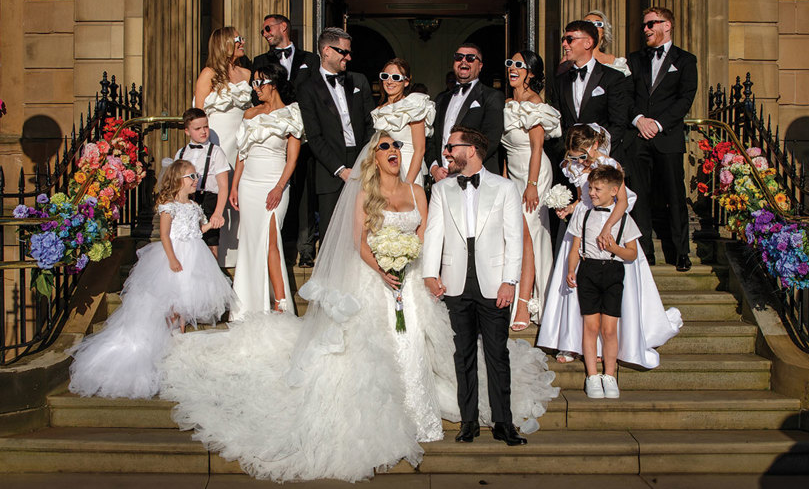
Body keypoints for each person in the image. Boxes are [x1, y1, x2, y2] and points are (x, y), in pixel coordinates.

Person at [159, 131, 558, 482]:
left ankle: (426, 417)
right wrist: (383, 269)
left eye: (397, 145)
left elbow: (427, 236)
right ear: (373, 156)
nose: (394, 151)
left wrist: (415, 267)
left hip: (412, 283)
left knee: (416, 347)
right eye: (385, 146)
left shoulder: (420, 191)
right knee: (379, 350)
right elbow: (359, 242)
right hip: (375, 282)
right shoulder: (367, 194)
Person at [67, 160, 234, 399]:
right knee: (172, 299)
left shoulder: (195, 207)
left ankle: (182, 337)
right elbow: (165, 235)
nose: (195, 180)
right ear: (178, 180)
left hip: (195, 255)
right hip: (175, 255)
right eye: (191, 176)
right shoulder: (169, 206)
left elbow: (195, 231)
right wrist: (172, 259)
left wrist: (211, 225)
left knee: (187, 297)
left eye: (196, 176)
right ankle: (168, 338)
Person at [537, 124, 682, 369]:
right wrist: (569, 208)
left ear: (594, 146)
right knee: (574, 282)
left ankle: (606, 345)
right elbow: (584, 199)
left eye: (583, 156)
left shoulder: (610, 166)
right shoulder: (574, 166)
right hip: (582, 226)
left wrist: (607, 227)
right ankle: (571, 341)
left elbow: (622, 201)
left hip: (610, 223)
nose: (579, 162)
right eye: (574, 157)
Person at [423, 126, 530, 446]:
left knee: (498, 354)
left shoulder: (505, 188)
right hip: (454, 283)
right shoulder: (441, 190)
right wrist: (430, 273)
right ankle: (468, 421)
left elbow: (515, 240)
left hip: (495, 283)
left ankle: (503, 422)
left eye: (451, 147)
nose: (446, 152)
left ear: (470, 150)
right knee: (462, 355)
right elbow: (433, 234)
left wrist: (510, 281)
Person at [626, 7, 698, 271]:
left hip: (667, 137)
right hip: (638, 137)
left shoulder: (686, 60)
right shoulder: (634, 60)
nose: (645, 29)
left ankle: (681, 252)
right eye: (644, 25)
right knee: (640, 195)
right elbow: (626, 96)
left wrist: (657, 123)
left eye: (651, 24)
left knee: (674, 193)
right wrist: (639, 120)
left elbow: (685, 99)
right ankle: (644, 252)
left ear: (667, 25)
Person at [229, 64, 302, 317]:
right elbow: (242, 152)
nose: (256, 88)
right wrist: (234, 185)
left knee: (272, 241)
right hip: (249, 184)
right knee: (250, 243)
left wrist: (280, 187)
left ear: (274, 83)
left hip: (275, 182)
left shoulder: (292, 113)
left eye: (260, 83)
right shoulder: (249, 114)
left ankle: (280, 304)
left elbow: (292, 159)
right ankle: (248, 306)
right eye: (254, 84)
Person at [249, 14, 320, 268]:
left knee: (304, 192)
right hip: (274, 137)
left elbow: (317, 93)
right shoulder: (259, 61)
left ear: (283, 27)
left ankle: (306, 248)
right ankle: (278, 247)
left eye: (268, 28)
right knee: (274, 189)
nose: (265, 33)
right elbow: (254, 98)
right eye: (263, 31)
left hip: (305, 136)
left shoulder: (310, 59)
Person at [566, 165, 640, 398]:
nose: (592, 193)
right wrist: (571, 269)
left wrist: (613, 247)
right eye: (590, 188)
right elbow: (575, 247)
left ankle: (610, 374)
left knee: (609, 329)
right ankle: (592, 375)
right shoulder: (583, 213)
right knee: (591, 326)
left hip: (612, 271)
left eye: (597, 189)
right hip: (588, 271)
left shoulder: (623, 219)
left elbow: (632, 254)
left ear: (614, 191)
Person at [297, 27, 375, 239]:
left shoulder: (358, 81)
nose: (348, 57)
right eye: (343, 51)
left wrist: (364, 161)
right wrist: (340, 170)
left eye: (349, 52)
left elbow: (371, 123)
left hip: (362, 163)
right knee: (332, 235)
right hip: (329, 169)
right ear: (326, 51)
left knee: (363, 230)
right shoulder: (307, 88)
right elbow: (314, 136)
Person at [501, 50, 560, 330]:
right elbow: (506, 151)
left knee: (530, 236)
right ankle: (519, 298)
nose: (513, 68)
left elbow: (537, 147)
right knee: (516, 236)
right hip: (513, 175)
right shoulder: (509, 103)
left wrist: (532, 185)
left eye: (519, 65)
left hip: (533, 175)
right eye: (510, 63)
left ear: (531, 73)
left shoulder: (535, 104)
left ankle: (526, 304)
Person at [193, 26, 252, 267]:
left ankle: (241, 255)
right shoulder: (208, 74)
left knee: (242, 195)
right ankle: (215, 255)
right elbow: (198, 114)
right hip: (218, 143)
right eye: (237, 39)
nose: (242, 42)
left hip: (242, 143)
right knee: (216, 194)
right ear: (224, 43)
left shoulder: (248, 74)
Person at [548, 20, 630, 165]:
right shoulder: (559, 81)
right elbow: (557, 122)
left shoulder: (613, 78)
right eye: (564, 40)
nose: (564, 45)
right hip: (568, 161)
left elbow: (619, 122)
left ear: (588, 43)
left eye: (570, 39)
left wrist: (595, 152)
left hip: (602, 161)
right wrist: (568, 153)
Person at [426, 43, 505, 179]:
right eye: (459, 57)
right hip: (442, 179)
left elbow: (490, 140)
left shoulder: (491, 96)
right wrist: (434, 169)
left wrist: (461, 166)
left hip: (477, 178)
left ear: (480, 66)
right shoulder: (441, 98)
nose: (463, 60)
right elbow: (432, 139)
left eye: (470, 58)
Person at [173, 108, 231, 258]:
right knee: (186, 241)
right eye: (197, 128)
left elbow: (223, 186)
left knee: (211, 242)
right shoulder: (180, 153)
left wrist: (218, 213)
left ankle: (210, 277)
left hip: (209, 199)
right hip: (186, 201)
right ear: (187, 131)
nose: (203, 131)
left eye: (206, 127)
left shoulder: (216, 152)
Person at [371, 58, 435, 186]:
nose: (389, 81)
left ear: (406, 81)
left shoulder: (414, 106)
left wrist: (407, 184)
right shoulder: (379, 111)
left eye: (395, 77)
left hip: (410, 172)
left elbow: (420, 149)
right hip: (385, 173)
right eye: (385, 76)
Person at [584, 10, 631, 77]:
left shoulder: (615, 63)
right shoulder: (572, 60)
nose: (592, 27)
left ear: (603, 32)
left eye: (598, 24)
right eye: (587, 23)